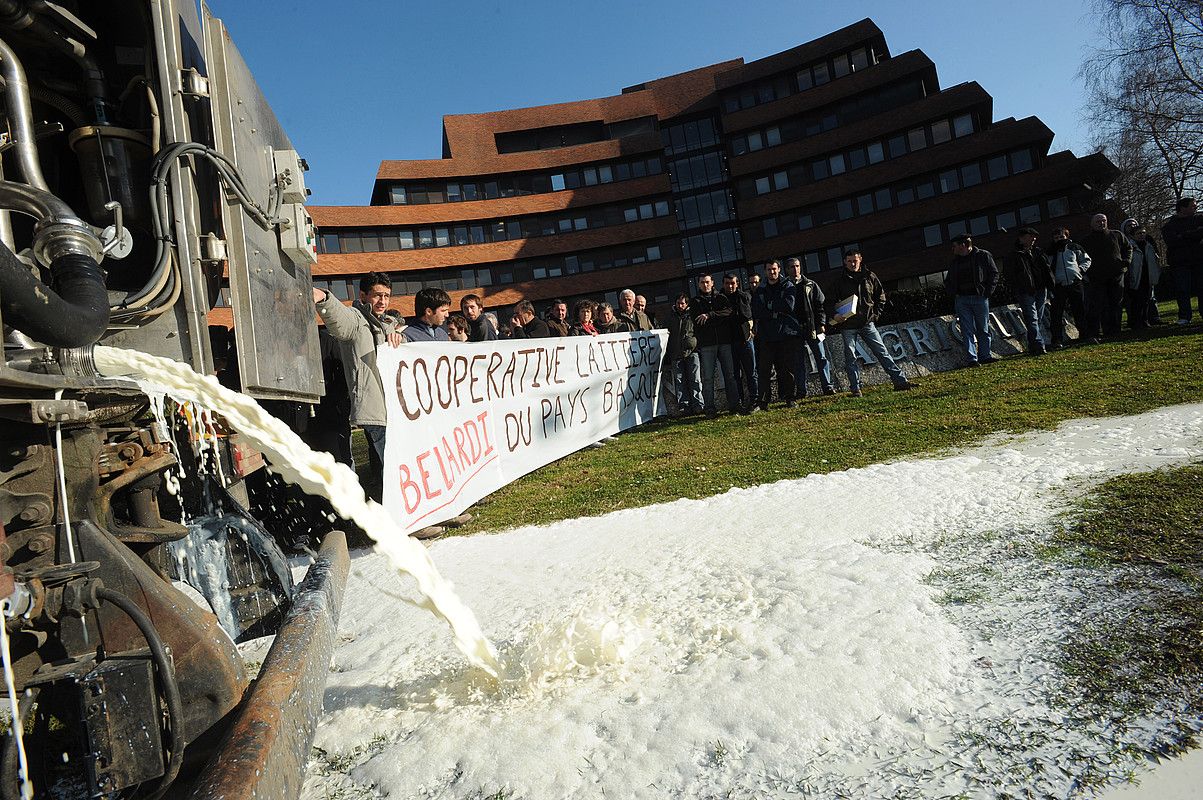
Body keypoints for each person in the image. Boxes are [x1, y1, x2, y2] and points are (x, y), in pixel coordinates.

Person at [311, 271, 404, 502]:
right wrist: (324, 298)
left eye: (387, 296)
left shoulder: (389, 325)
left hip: (396, 405)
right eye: (377, 295)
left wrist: (401, 339)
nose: (383, 301)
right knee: (390, 464)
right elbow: (338, 319)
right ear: (363, 295)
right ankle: (397, 518)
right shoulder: (356, 320)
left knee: (400, 461)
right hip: (375, 408)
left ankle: (411, 512)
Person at [827, 250, 916, 396]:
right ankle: (855, 389)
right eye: (849, 261)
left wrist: (875, 315)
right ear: (844, 262)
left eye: (855, 260)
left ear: (860, 259)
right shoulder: (839, 281)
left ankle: (900, 382)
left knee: (882, 352)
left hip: (867, 323)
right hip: (848, 325)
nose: (853, 264)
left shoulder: (869, 276)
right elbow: (828, 303)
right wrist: (835, 315)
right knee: (851, 357)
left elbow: (880, 296)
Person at [752, 259, 801, 409]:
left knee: (787, 369)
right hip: (767, 336)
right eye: (769, 270)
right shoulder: (760, 289)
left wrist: (770, 306)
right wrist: (775, 311)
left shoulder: (787, 285)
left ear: (779, 269)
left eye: (774, 269)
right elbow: (757, 311)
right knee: (764, 370)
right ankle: (763, 402)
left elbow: (788, 306)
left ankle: (789, 398)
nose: (772, 272)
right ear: (765, 272)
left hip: (786, 334)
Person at [944, 234, 999, 365]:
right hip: (962, 299)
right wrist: (954, 293)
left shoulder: (983, 256)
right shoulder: (954, 262)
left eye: (955, 246)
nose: (953, 249)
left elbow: (994, 273)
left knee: (983, 328)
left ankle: (985, 355)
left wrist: (987, 292)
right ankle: (972, 358)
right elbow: (948, 281)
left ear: (963, 245)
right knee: (966, 329)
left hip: (979, 297)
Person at [786, 257, 835, 395]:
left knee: (821, 357)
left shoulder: (811, 284)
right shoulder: (785, 286)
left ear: (800, 267)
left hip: (812, 327)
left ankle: (828, 387)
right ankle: (802, 391)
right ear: (787, 269)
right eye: (791, 267)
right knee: (798, 362)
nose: (795, 269)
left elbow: (820, 305)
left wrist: (822, 324)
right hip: (794, 330)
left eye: (797, 266)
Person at [691, 274, 738, 416]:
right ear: (698, 284)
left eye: (707, 282)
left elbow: (728, 312)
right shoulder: (695, 301)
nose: (705, 285)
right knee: (708, 378)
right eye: (702, 282)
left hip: (724, 342)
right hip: (707, 344)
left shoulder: (721, 297)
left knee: (730, 375)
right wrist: (718, 318)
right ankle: (710, 408)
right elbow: (697, 322)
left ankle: (734, 405)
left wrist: (710, 315)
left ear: (712, 283)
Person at [1079, 213, 1131, 338]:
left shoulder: (1117, 235)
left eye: (1103, 221)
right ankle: (1105, 330)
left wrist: (1126, 261)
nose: (1101, 223)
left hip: (1116, 275)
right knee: (1101, 305)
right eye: (1098, 221)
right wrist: (1086, 273)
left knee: (1116, 304)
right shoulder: (1085, 241)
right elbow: (1080, 258)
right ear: (1092, 224)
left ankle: (1116, 329)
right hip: (1096, 278)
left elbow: (1128, 248)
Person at [1005, 227, 1054, 355]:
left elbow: (1046, 269)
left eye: (1034, 236)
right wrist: (1019, 287)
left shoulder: (1037, 252)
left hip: (1040, 288)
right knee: (1032, 317)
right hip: (1026, 290)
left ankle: (1034, 343)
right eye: (1030, 236)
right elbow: (1010, 274)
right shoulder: (1014, 255)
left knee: (1037, 317)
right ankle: (1039, 344)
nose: (1034, 239)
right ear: (1021, 238)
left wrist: (1049, 283)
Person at [1046, 226, 1092, 348]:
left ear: (1067, 236)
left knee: (1080, 310)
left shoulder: (1074, 247)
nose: (1059, 239)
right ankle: (1057, 340)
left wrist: (1080, 270)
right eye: (1056, 238)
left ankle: (1085, 334)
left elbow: (1086, 260)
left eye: (1061, 237)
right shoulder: (1050, 251)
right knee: (1056, 313)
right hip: (1059, 285)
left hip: (1075, 282)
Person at [1162, 196, 1203, 324]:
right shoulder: (1170, 226)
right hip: (1180, 263)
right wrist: (1194, 235)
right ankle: (1184, 316)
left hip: (1199, 261)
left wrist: (1183, 235)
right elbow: (1172, 241)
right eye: (1192, 206)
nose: (1195, 208)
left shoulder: (1200, 219)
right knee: (1182, 290)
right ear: (1182, 208)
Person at [723, 273, 759, 413]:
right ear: (723, 284)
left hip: (746, 339)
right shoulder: (720, 299)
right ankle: (739, 402)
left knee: (751, 372)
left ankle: (755, 400)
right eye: (727, 283)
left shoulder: (745, 296)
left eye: (732, 283)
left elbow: (754, 314)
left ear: (737, 283)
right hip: (729, 342)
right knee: (734, 375)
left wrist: (754, 330)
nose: (730, 286)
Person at [664, 294, 703, 416]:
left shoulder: (692, 316)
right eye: (678, 303)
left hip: (692, 352)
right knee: (679, 381)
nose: (680, 306)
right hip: (676, 353)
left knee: (695, 379)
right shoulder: (670, 318)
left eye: (683, 303)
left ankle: (698, 405)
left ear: (687, 304)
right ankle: (684, 406)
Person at [1125, 224, 1161, 330]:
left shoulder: (1149, 246)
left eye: (1143, 233)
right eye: (1138, 233)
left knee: (1146, 301)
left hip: (1147, 277)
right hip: (1136, 278)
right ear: (1133, 236)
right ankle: (1136, 322)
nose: (1141, 235)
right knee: (1136, 302)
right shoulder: (1130, 246)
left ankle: (1145, 321)